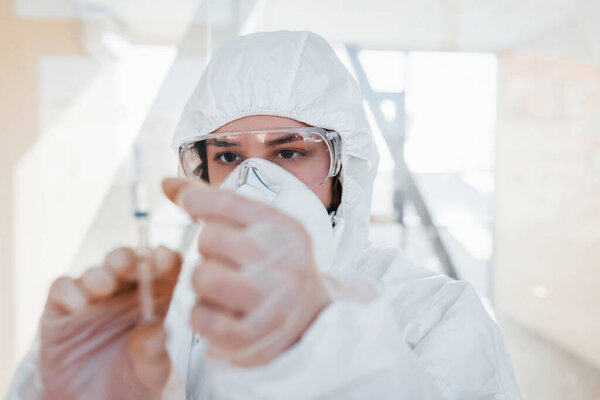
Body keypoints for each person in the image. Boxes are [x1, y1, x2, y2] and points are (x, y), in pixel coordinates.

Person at [7, 31, 522, 399]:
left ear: (347, 170)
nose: (256, 183)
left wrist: (323, 346)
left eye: (290, 152)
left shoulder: (436, 314)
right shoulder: (163, 315)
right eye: (228, 156)